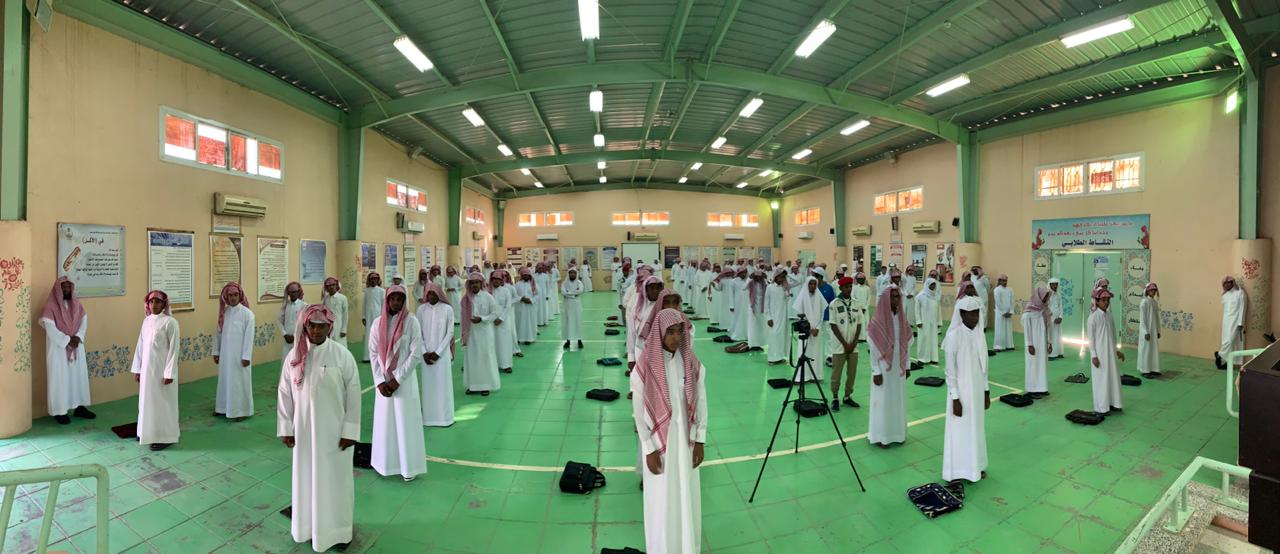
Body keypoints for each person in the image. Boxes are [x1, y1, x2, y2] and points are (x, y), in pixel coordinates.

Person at [277, 304, 361, 552]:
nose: (315, 330)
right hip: (303, 434)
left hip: (334, 436)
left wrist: (350, 431)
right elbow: (284, 393)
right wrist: (285, 427)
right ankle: (307, 528)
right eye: (311, 325)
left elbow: (354, 393)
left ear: (329, 327)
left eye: (321, 326)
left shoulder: (341, 355)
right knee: (306, 481)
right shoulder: (293, 357)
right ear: (305, 326)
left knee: (335, 482)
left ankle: (337, 532)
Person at [631, 309, 708, 554]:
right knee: (661, 501)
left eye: (679, 332)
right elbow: (639, 412)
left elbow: (702, 400)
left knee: (687, 496)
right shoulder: (645, 367)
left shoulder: (690, 362)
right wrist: (649, 448)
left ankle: (687, 547)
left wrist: (700, 439)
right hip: (659, 445)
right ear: (660, 333)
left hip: (685, 442)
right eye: (670, 332)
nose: (676, 337)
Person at [367, 285, 427, 482]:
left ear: (404, 301)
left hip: (404, 383)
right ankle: (384, 464)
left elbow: (415, 353)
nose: (396, 302)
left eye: (399, 299)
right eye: (392, 299)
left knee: (405, 423)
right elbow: (374, 353)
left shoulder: (412, 322)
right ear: (387, 300)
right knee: (385, 424)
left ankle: (408, 468)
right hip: (383, 383)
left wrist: (397, 379)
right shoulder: (377, 323)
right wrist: (380, 381)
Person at [942, 296, 989, 483]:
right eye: (971, 313)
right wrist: (955, 398)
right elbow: (950, 371)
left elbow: (984, 367)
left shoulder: (979, 334)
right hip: (960, 394)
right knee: (960, 431)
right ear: (961, 314)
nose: (975, 317)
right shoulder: (954, 336)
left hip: (977, 392)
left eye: (977, 312)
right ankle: (956, 471)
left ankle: (975, 467)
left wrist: (986, 391)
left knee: (976, 429)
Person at [40, 277, 94, 424]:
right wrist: (67, 340)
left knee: (78, 378)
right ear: (58, 289)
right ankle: (60, 412)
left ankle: (80, 408)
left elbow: (84, 320)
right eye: (63, 287)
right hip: (59, 350)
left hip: (77, 347)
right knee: (60, 380)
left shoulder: (77, 304)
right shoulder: (50, 307)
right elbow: (49, 327)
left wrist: (78, 337)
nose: (66, 290)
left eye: (68, 287)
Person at [131, 290, 180, 451]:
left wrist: (169, 373)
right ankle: (147, 433)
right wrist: (137, 369)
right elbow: (140, 345)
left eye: (158, 302)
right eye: (151, 302)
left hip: (161, 372)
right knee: (147, 402)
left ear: (164, 304)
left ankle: (166, 436)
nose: (154, 305)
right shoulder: (146, 321)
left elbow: (174, 350)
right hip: (147, 371)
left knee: (163, 404)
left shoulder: (170, 322)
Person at [868, 286, 911, 448]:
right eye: (893, 297)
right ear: (886, 299)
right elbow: (872, 348)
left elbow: (907, 342)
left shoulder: (901, 318)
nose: (896, 300)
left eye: (897, 296)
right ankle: (881, 436)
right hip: (883, 367)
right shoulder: (877, 321)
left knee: (897, 400)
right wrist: (876, 370)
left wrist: (906, 366)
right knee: (883, 402)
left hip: (897, 368)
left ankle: (897, 434)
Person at [214, 282, 255, 421]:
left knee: (239, 382)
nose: (233, 298)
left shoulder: (248, 314)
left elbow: (249, 337)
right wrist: (216, 351)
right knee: (225, 380)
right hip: (226, 355)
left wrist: (246, 356)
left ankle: (241, 410)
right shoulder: (224, 313)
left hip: (240, 356)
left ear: (240, 295)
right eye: (230, 295)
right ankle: (222, 408)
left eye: (235, 295)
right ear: (226, 296)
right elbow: (218, 333)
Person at [416, 283, 455, 427]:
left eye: (434, 293)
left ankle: (445, 418)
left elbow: (450, 333)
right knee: (428, 386)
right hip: (426, 356)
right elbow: (418, 332)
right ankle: (428, 417)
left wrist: (438, 353)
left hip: (442, 355)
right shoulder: (421, 310)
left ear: (439, 294)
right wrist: (424, 351)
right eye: (428, 294)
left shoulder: (447, 309)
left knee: (442, 385)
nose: (431, 296)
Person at [461, 273, 500, 396]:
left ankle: (486, 385)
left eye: (476, 283)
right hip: (471, 334)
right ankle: (473, 386)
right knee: (471, 359)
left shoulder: (488, 297)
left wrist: (482, 319)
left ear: (481, 283)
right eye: (472, 283)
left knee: (484, 358)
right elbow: (463, 317)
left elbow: (495, 313)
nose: (474, 285)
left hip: (484, 333)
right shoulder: (465, 299)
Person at [828, 277, 863, 411]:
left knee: (852, 373)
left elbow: (859, 323)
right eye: (846, 287)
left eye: (850, 286)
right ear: (841, 288)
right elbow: (833, 325)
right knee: (836, 373)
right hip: (839, 346)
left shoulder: (856, 303)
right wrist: (845, 343)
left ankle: (847, 396)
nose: (849, 289)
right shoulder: (834, 304)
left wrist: (853, 343)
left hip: (853, 346)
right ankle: (835, 397)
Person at [1088, 289, 1124, 416]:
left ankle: (1113, 403)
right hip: (1100, 355)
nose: (1106, 302)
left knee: (1112, 377)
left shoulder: (1109, 315)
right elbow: (1091, 340)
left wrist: (1116, 350)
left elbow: (1113, 335)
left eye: (1108, 300)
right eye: (1103, 300)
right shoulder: (1093, 318)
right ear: (1096, 302)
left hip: (1110, 354)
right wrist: (1094, 356)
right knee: (1101, 380)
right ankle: (1101, 407)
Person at [791, 277, 827, 383]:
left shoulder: (819, 297)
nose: (812, 286)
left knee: (816, 352)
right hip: (805, 330)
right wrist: (809, 329)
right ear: (807, 285)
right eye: (810, 284)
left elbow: (822, 315)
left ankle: (816, 375)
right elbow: (799, 316)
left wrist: (817, 328)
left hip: (817, 331)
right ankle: (804, 376)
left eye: (814, 284)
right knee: (804, 352)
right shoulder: (802, 297)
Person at [1021, 287, 1054, 399]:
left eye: (1046, 297)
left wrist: (1049, 342)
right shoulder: (1028, 312)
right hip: (1033, 344)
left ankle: (1042, 388)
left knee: (1042, 365)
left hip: (1042, 343)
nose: (1045, 299)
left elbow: (1048, 327)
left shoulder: (1045, 310)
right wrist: (1029, 344)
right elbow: (1027, 329)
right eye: (1043, 296)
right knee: (1033, 365)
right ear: (1038, 296)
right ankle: (1031, 390)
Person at [489, 271, 517, 373]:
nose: (496, 281)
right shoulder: (488, 292)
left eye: (498, 280)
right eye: (494, 279)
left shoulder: (506, 291)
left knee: (504, 343)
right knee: (493, 343)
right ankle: (494, 365)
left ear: (502, 281)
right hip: (491, 322)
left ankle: (506, 365)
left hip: (504, 321)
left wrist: (501, 318)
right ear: (491, 281)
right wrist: (492, 318)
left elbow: (508, 306)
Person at [1217, 276, 1246, 369]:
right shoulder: (1225, 295)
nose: (1226, 285)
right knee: (1225, 341)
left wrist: (1240, 323)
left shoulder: (1240, 293)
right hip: (1226, 321)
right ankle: (1225, 362)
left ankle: (1220, 355)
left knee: (1230, 341)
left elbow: (1242, 308)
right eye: (1224, 284)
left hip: (1235, 321)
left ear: (1232, 283)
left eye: (1228, 283)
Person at [764, 271, 791, 365]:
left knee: (781, 337)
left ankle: (779, 357)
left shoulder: (784, 288)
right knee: (773, 336)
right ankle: (772, 358)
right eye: (780, 277)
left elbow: (787, 299)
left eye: (783, 278)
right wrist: (768, 317)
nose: (782, 279)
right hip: (773, 318)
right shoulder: (770, 287)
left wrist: (786, 288)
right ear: (775, 277)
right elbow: (766, 304)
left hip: (783, 317)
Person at [915, 278, 941, 365]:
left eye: (934, 285)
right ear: (927, 285)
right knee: (923, 339)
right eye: (931, 284)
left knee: (933, 339)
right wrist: (918, 321)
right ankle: (922, 358)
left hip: (933, 322)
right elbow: (917, 310)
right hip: (923, 322)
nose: (933, 286)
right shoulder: (920, 296)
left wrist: (939, 322)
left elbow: (938, 310)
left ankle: (933, 358)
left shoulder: (936, 296)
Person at [279, 282, 307, 362]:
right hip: (287, 340)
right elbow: (279, 320)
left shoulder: (304, 305)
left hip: (299, 340)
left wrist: (295, 336)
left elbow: (305, 323)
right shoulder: (285, 306)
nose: (293, 294)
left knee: (298, 362)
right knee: (286, 361)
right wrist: (285, 334)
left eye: (295, 292)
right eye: (291, 292)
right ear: (288, 293)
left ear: (298, 292)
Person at [1139, 283, 1162, 378]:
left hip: (1153, 330)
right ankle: (1145, 370)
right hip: (1147, 331)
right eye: (1152, 290)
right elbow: (1142, 319)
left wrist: (1158, 331)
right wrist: (1146, 332)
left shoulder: (1154, 302)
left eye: (1155, 290)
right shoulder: (1144, 302)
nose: (1153, 292)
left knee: (1153, 350)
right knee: (1146, 350)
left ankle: (1153, 369)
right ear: (1147, 291)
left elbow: (1157, 318)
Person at [362, 272, 385, 363]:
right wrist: (363, 316)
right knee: (369, 335)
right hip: (368, 316)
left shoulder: (381, 291)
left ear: (378, 280)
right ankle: (367, 356)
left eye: (375, 278)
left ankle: (379, 356)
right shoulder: (367, 291)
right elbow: (364, 304)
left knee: (378, 336)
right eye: (371, 279)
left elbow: (383, 305)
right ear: (369, 280)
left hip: (378, 316)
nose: (373, 280)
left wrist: (383, 317)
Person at [321, 277, 349, 347]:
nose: (331, 287)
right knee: (330, 345)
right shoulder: (325, 299)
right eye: (329, 286)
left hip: (339, 327)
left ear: (337, 286)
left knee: (340, 346)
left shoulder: (343, 298)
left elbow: (345, 315)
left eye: (333, 285)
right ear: (326, 288)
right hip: (329, 327)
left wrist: (344, 329)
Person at [745, 270, 769, 351]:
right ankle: (752, 344)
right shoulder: (751, 283)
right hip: (753, 307)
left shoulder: (764, 284)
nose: (758, 278)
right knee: (753, 325)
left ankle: (759, 344)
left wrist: (766, 278)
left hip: (762, 307)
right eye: (757, 276)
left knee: (761, 326)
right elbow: (743, 288)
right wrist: (749, 278)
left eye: (760, 276)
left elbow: (769, 287)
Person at [562, 268, 585, 349]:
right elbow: (563, 292)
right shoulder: (564, 283)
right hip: (567, 306)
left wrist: (569, 294)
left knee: (577, 322)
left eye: (574, 273)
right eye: (571, 273)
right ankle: (568, 341)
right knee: (567, 323)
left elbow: (580, 291)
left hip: (576, 307)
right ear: (568, 274)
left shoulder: (579, 283)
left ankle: (579, 341)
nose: (572, 274)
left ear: (576, 274)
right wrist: (573, 294)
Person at [514, 268, 539, 345]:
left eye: (527, 275)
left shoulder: (534, 285)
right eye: (524, 275)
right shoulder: (517, 284)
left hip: (530, 307)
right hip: (520, 306)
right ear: (521, 276)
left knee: (530, 322)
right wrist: (521, 299)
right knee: (519, 322)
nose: (526, 276)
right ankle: (519, 338)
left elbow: (537, 295)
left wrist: (531, 300)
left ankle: (529, 338)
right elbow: (514, 295)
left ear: (529, 276)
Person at [993, 275, 1014, 351]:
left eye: (1006, 281)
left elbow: (1012, 301)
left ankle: (1009, 345)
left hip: (1008, 313)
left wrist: (1011, 311)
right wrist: (1003, 312)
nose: (1005, 282)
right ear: (1000, 281)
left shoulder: (1010, 289)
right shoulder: (997, 289)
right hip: (1000, 313)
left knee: (1008, 329)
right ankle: (998, 346)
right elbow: (998, 302)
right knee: (1000, 329)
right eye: (1003, 281)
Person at [1047, 278, 1064, 360]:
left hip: (1057, 318)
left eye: (1056, 284)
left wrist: (1060, 317)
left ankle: (1059, 352)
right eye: (1053, 284)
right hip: (1050, 318)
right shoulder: (1047, 295)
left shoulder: (1059, 295)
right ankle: (1051, 354)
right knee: (1051, 335)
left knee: (1058, 335)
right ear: (1049, 285)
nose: (1055, 286)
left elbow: (1061, 307)